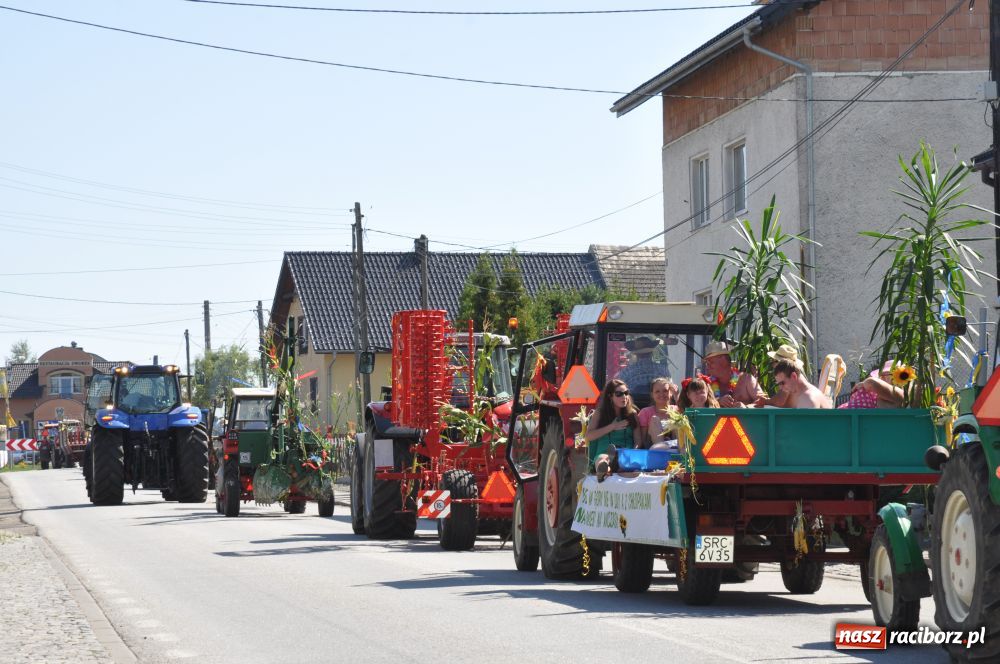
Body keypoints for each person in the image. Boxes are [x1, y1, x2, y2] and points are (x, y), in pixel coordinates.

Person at [584, 379, 642, 479]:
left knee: (633, 468)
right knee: (602, 458)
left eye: (626, 393)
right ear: (610, 396)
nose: (624, 397)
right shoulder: (600, 413)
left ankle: (616, 466)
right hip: (605, 451)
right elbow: (589, 436)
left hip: (626, 453)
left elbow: (638, 440)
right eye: (619, 394)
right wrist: (612, 427)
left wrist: (633, 452)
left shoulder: (632, 414)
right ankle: (604, 470)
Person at [703, 341, 765, 408]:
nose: (707, 366)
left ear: (723, 361)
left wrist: (747, 407)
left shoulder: (746, 379)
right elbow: (696, 404)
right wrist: (717, 401)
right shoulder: (705, 383)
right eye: (707, 363)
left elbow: (762, 401)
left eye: (711, 362)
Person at [637, 377, 679, 448]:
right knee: (654, 419)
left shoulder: (677, 409)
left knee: (678, 418)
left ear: (670, 393)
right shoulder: (645, 412)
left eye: (665, 391)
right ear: (652, 395)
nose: (661, 394)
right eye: (657, 391)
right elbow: (643, 440)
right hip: (654, 449)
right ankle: (661, 450)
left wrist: (676, 396)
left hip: (676, 447)